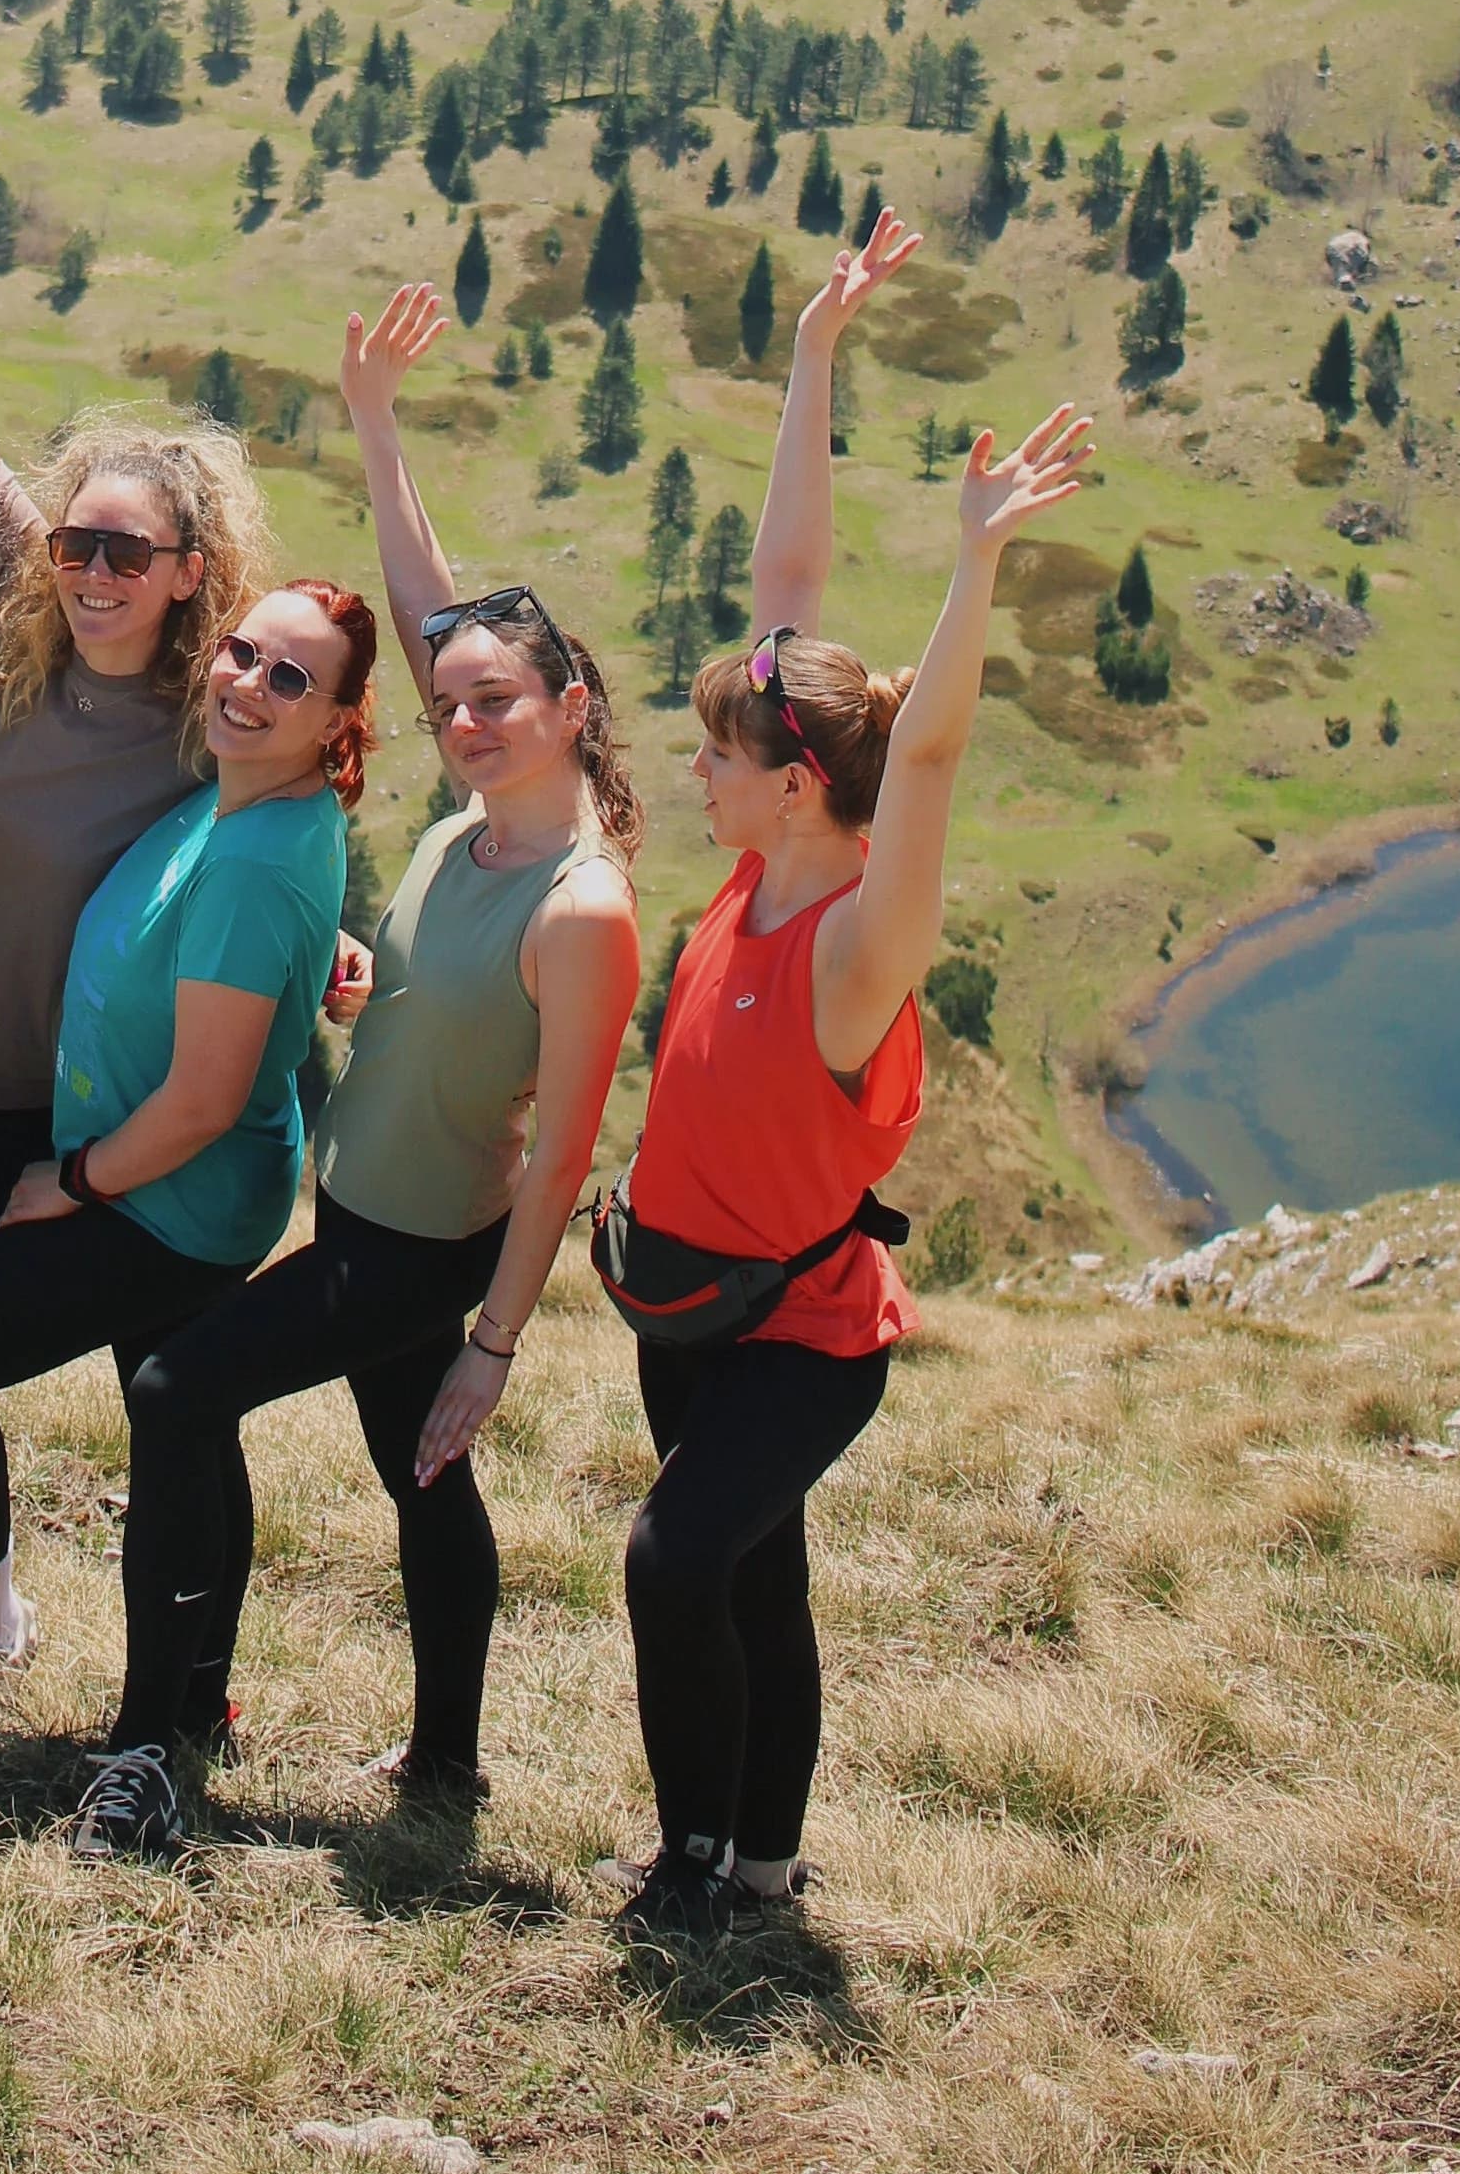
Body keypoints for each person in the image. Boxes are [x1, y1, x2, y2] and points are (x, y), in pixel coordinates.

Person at [72, 282, 644, 1856]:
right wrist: (377, 421)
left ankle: (163, 1724)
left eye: (497, 703)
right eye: (450, 703)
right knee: (418, 1482)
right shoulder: (474, 824)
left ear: (567, 712)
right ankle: (447, 1765)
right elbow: (425, 601)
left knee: (185, 1392)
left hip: (416, 1245)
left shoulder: (579, 905)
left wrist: (496, 1347)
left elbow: (562, 1152)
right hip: (359, 1203)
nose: (463, 719)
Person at [612, 218, 1093, 1939]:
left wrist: (975, 562)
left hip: (803, 1331)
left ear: (799, 782)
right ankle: (760, 1860)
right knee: (759, 1577)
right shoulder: (762, 862)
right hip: (689, 1298)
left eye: (718, 755)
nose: (695, 772)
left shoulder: (855, 939)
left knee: (675, 1562)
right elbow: (788, 582)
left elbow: (934, 742)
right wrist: (816, 350)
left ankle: (690, 1866)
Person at [0, 0, 269, 1697]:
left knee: (144, 1383)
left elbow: (293, 842)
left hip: (88, 1109)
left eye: (129, 546)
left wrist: (337, 952)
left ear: (190, 566)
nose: (92, 566)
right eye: (79, 534)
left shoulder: (216, 714)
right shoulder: (11, 598)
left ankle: (183, 1681)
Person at [0, 567, 375, 1770]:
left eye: (291, 678)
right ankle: (196, 1705)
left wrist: (77, 1184)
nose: (250, 685)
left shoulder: (257, 851)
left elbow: (207, 1096)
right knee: (182, 1428)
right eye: (241, 654)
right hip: (176, 1188)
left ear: (337, 723)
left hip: (162, 1202)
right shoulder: (232, 802)